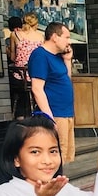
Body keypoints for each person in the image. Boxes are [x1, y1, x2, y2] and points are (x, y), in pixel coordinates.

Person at [29, 22, 76, 162]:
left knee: (66, 155)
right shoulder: (40, 55)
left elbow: (65, 79)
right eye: (66, 37)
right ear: (55, 37)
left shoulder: (58, 56)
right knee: (56, 154)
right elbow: (37, 89)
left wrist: (67, 60)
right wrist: (49, 117)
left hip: (66, 112)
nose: (69, 41)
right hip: (55, 113)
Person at [10, 13, 44, 118]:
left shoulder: (15, 34)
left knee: (14, 87)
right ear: (36, 24)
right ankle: (36, 112)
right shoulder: (40, 37)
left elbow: (12, 57)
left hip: (21, 75)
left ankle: (19, 115)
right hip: (36, 76)